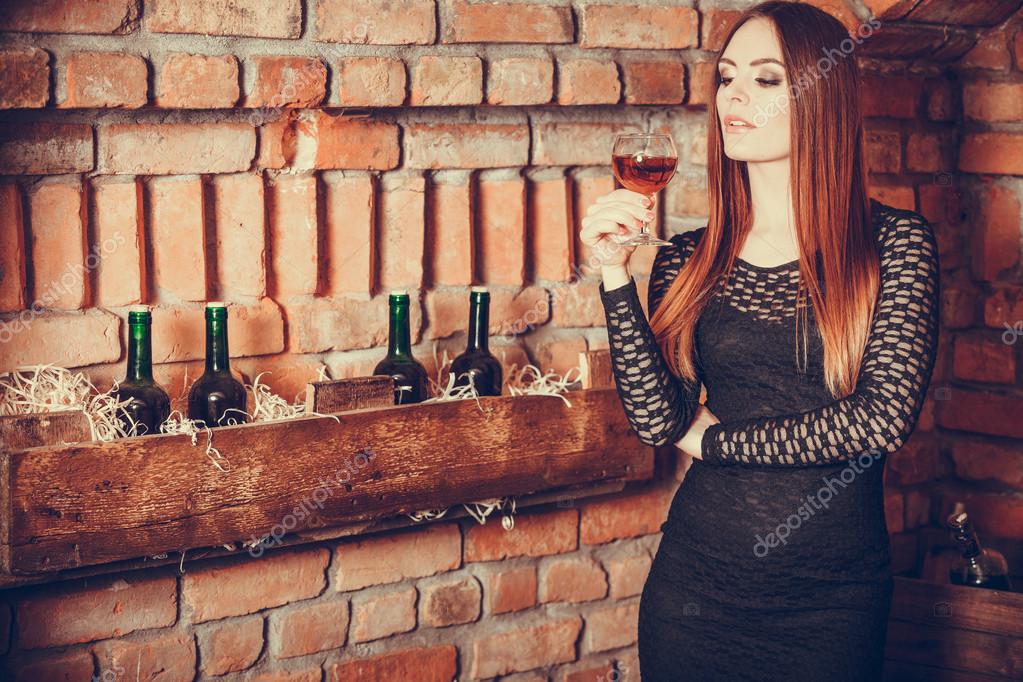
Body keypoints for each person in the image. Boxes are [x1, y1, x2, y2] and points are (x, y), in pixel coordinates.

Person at [579, 2, 940, 681]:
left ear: (820, 97)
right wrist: (611, 275)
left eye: (766, 80)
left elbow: (879, 420)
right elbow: (657, 420)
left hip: (831, 603)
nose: (734, 98)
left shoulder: (894, 245)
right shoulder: (688, 255)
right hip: (694, 590)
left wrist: (714, 442)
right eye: (725, 78)